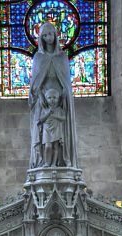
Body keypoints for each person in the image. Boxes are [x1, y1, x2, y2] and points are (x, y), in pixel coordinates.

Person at [29, 22, 78, 169]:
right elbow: (34, 84)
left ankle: (61, 162)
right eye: (44, 35)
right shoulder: (38, 57)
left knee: (59, 137)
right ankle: (44, 163)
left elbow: (66, 83)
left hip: (60, 100)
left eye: (50, 34)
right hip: (43, 100)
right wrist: (40, 95)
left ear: (55, 35)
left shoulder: (62, 56)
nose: (48, 38)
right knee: (45, 136)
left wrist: (64, 94)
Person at [37, 88, 65, 167]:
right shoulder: (45, 109)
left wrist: (55, 116)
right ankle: (47, 162)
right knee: (48, 146)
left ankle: (53, 163)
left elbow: (64, 118)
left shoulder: (59, 109)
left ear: (57, 98)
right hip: (47, 129)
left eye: (54, 97)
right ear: (46, 99)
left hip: (56, 127)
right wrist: (49, 113)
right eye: (49, 98)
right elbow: (41, 119)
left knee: (56, 146)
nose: (52, 100)